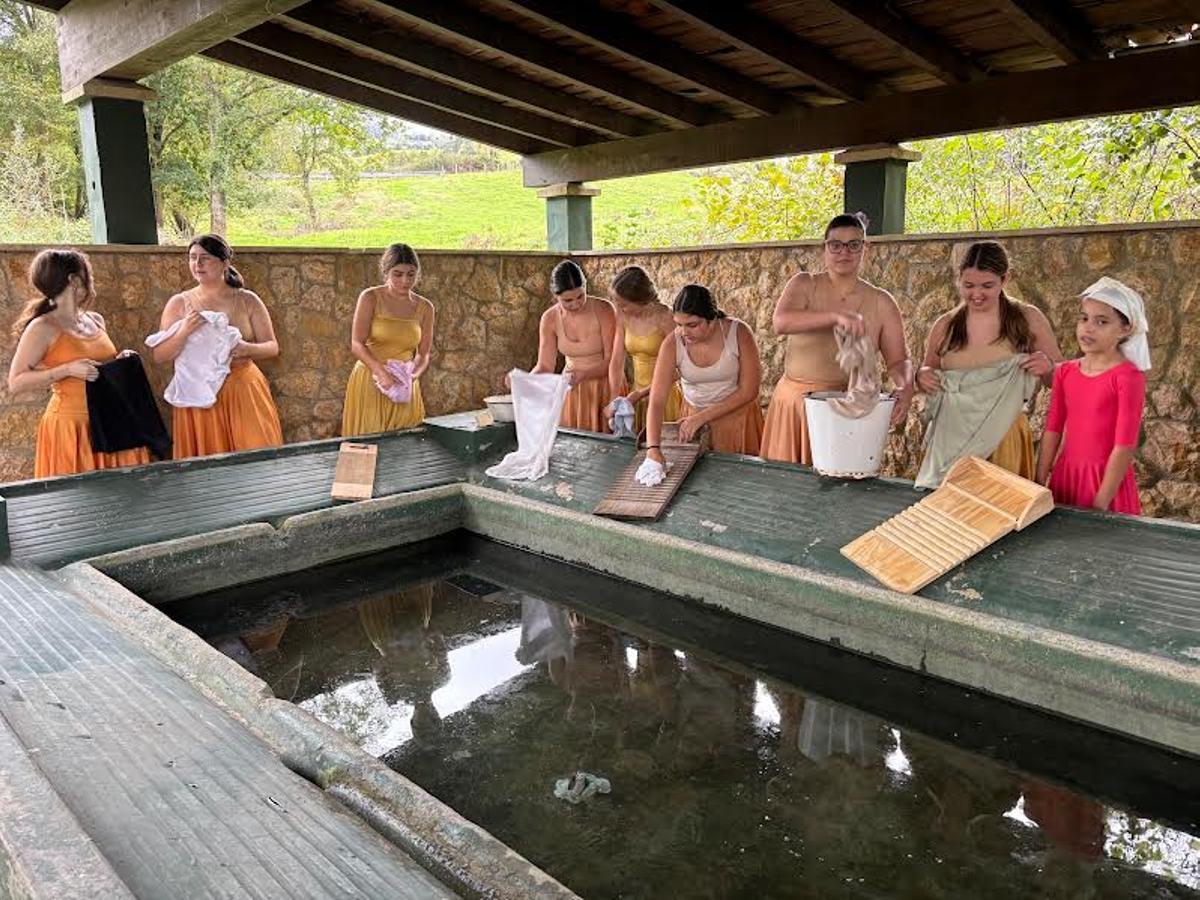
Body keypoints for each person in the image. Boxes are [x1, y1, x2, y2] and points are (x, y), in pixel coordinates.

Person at [760, 212, 913, 466]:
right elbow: (781, 321)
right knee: (787, 493)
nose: (845, 252)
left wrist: (905, 388)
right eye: (836, 245)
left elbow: (899, 361)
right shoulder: (804, 284)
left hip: (849, 409)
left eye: (854, 245)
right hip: (796, 407)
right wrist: (836, 317)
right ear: (824, 249)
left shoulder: (882, 302)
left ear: (866, 248)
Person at [917, 241, 1060, 481]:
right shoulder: (946, 326)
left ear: (1005, 279)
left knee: (1001, 514)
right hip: (952, 437)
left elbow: (1061, 379)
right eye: (968, 285)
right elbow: (928, 370)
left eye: (987, 286)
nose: (977, 294)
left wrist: (1048, 367)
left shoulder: (1027, 319)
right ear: (959, 279)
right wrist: (921, 376)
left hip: (1003, 437)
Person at [8, 249, 152, 477]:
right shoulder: (42, 327)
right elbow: (16, 382)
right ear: (73, 280)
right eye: (87, 274)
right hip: (72, 427)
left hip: (111, 420)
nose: (91, 281)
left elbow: (101, 366)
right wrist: (68, 370)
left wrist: (120, 361)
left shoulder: (95, 319)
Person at [150, 235, 282, 458]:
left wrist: (246, 348)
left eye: (205, 258)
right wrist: (184, 331)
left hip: (243, 388)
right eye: (192, 258)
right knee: (208, 466)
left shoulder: (247, 300)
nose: (197, 264)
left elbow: (272, 346)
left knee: (257, 458)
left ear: (225, 262)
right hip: (198, 392)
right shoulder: (179, 303)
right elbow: (160, 355)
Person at [1035, 277, 1149, 514]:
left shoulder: (1128, 378)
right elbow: (1053, 429)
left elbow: (1124, 446)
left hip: (1105, 486)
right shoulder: (1065, 372)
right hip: (1065, 478)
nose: (1088, 327)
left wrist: (1101, 502)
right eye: (1084, 318)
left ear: (1125, 329)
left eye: (1102, 321)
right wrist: (1038, 481)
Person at [644, 284, 763, 466]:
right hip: (693, 420)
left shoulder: (739, 332)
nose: (684, 332)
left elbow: (749, 391)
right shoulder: (672, 344)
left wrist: (702, 418)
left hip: (737, 418)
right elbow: (657, 399)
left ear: (712, 319)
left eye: (692, 325)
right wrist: (653, 448)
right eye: (679, 324)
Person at [342, 243, 434, 436]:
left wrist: (412, 377)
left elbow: (424, 353)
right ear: (386, 272)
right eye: (397, 274)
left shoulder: (426, 308)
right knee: (369, 446)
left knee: (406, 447)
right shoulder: (370, 298)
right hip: (371, 380)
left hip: (404, 385)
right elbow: (357, 344)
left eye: (411, 274)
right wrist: (381, 372)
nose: (405, 280)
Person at [527, 260, 616, 433]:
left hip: (606, 386)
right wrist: (523, 381)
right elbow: (545, 366)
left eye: (580, 296)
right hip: (571, 390)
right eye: (567, 300)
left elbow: (613, 360)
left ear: (586, 287)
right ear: (555, 296)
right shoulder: (550, 318)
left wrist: (584, 375)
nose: (575, 304)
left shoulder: (604, 310)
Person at [604, 265, 682, 432]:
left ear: (640, 299)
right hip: (636, 396)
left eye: (623, 304)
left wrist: (641, 393)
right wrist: (614, 398)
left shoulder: (667, 318)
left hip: (665, 397)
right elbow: (617, 360)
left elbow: (679, 369)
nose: (618, 308)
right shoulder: (622, 316)